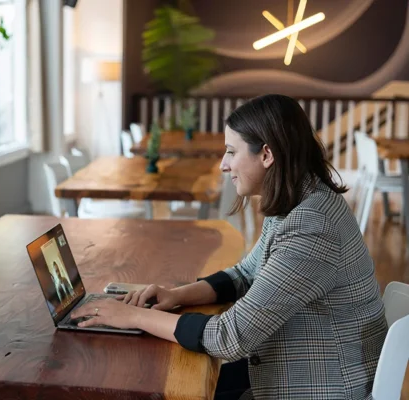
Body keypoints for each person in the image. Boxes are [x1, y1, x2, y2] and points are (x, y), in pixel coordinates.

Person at [70, 94, 388, 399]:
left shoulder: (312, 225)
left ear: (266, 154)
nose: (224, 164)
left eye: (231, 152)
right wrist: (175, 295)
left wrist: (133, 318)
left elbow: (230, 337)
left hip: (322, 387)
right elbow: (245, 274)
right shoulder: (299, 200)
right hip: (295, 368)